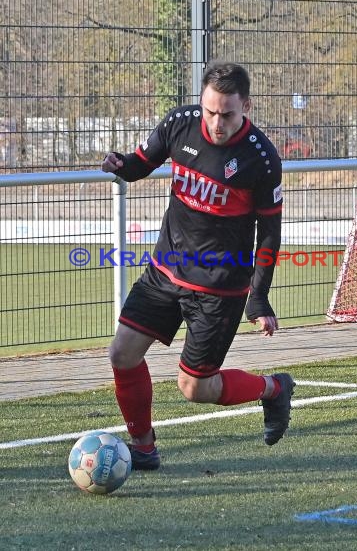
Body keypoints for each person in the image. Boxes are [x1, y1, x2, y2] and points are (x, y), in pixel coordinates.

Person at [102, 61, 295, 471]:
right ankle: (143, 447)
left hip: (218, 288)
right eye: (210, 111)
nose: (216, 122)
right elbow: (142, 162)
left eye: (227, 113)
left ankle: (273, 388)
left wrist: (258, 298)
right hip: (166, 269)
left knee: (195, 387)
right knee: (122, 353)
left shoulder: (260, 158)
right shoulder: (180, 123)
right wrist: (122, 165)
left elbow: (270, 234)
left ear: (246, 106)